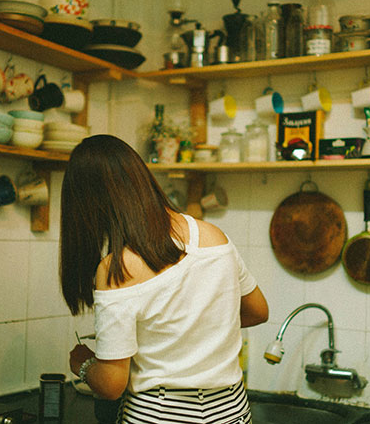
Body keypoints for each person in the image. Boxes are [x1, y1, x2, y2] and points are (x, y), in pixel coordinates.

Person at [60, 134, 269, 424]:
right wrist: (193, 332)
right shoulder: (213, 236)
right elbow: (258, 311)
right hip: (231, 412)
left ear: (87, 206)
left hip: (159, 414)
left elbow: (111, 384)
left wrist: (83, 364)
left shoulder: (118, 268)